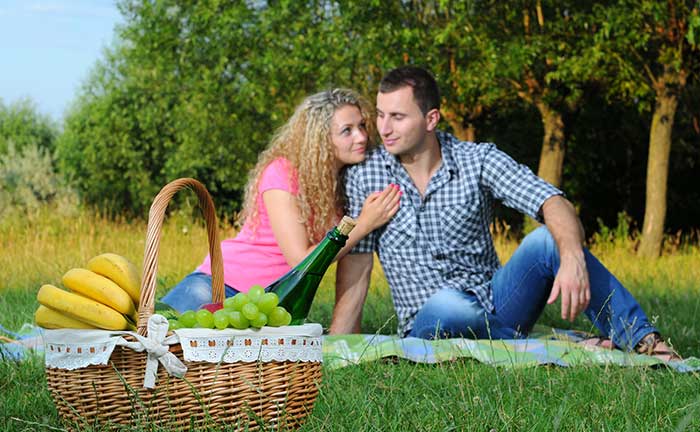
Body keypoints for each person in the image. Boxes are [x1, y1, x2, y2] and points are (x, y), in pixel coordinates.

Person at [329, 66, 680, 362]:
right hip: (428, 323)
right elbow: (356, 265)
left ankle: (643, 340)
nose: (384, 128)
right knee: (446, 303)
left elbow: (552, 202)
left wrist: (571, 256)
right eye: (380, 114)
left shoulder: (477, 160)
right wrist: (339, 343)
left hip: (497, 301)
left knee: (547, 239)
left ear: (431, 118)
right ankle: (539, 344)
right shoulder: (366, 174)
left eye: (397, 117)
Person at [162, 88, 401, 311]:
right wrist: (364, 224)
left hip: (268, 303)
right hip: (219, 287)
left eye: (362, 126)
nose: (361, 137)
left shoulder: (343, 180)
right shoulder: (284, 173)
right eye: (346, 131)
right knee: (148, 340)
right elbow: (300, 260)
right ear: (318, 139)